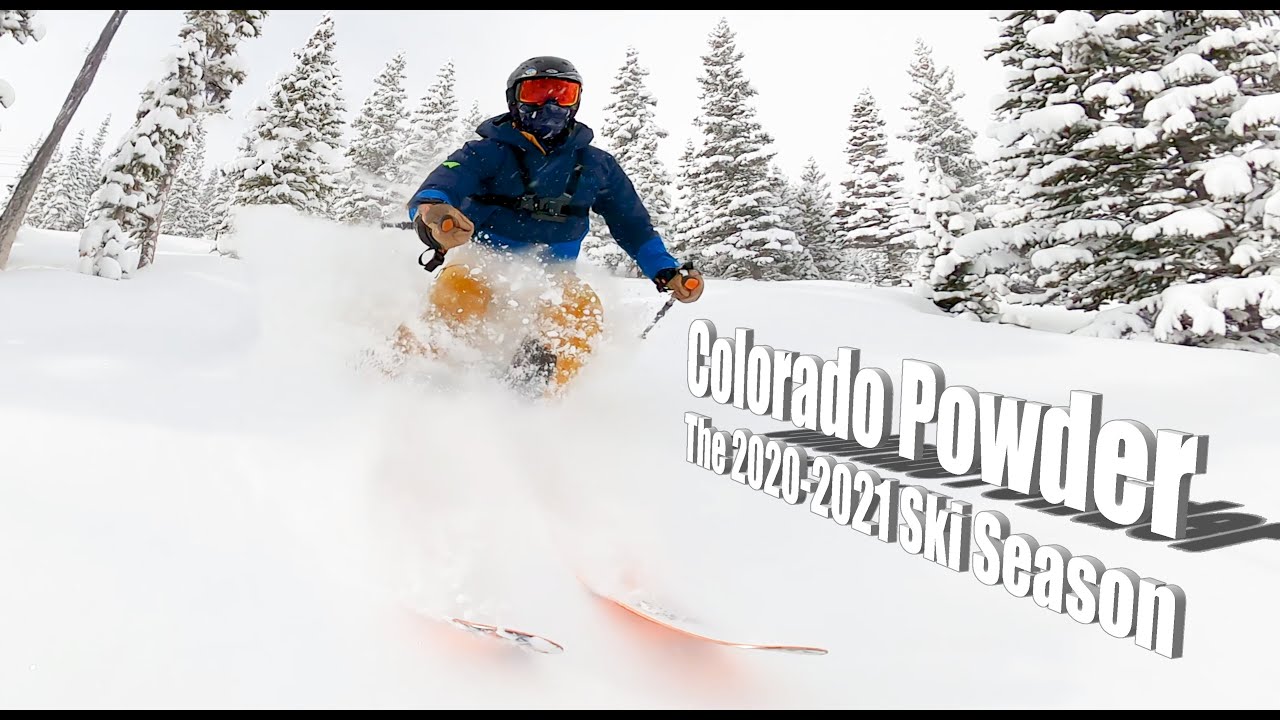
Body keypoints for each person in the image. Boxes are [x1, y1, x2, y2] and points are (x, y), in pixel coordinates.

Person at [391, 56, 704, 396]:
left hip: (553, 274)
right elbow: (439, 187)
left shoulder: (597, 165)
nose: (551, 104)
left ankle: (538, 400)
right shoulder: (486, 152)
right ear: (515, 99)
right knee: (460, 294)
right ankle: (408, 376)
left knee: (581, 313)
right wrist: (434, 215)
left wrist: (666, 271)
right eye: (538, 92)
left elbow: (633, 226)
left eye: (563, 94)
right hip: (481, 260)